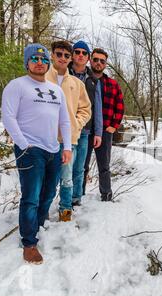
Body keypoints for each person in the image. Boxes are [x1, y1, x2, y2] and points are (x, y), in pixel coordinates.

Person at [1, 43, 72, 264]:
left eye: (43, 59)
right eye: (34, 59)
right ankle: (29, 242)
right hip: (30, 150)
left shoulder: (56, 89)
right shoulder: (17, 86)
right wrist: (23, 144)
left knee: (49, 193)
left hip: (53, 149)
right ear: (27, 62)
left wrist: (67, 147)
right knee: (31, 197)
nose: (39, 62)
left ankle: (39, 225)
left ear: (47, 63)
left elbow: (64, 120)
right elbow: (8, 117)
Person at [46, 40, 91, 222]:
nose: (62, 58)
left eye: (66, 55)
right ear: (52, 55)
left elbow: (86, 109)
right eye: (59, 54)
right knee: (47, 179)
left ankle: (65, 211)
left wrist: (76, 124)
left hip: (68, 140)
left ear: (70, 58)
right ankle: (42, 211)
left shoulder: (76, 83)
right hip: (45, 139)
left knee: (67, 178)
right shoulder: (43, 78)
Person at [85, 48, 125, 202]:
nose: (98, 63)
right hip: (86, 130)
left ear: (105, 64)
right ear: (90, 60)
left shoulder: (112, 84)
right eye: (95, 59)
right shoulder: (83, 80)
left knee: (104, 166)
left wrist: (113, 126)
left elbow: (120, 107)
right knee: (82, 166)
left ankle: (106, 196)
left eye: (102, 61)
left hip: (105, 130)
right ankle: (79, 196)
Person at [68, 40, 103, 205]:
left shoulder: (93, 80)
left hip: (85, 130)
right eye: (77, 52)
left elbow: (97, 108)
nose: (80, 55)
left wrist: (98, 133)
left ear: (88, 57)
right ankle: (62, 199)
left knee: (79, 167)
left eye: (84, 53)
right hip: (64, 130)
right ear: (72, 55)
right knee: (63, 167)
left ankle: (75, 199)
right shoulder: (63, 74)